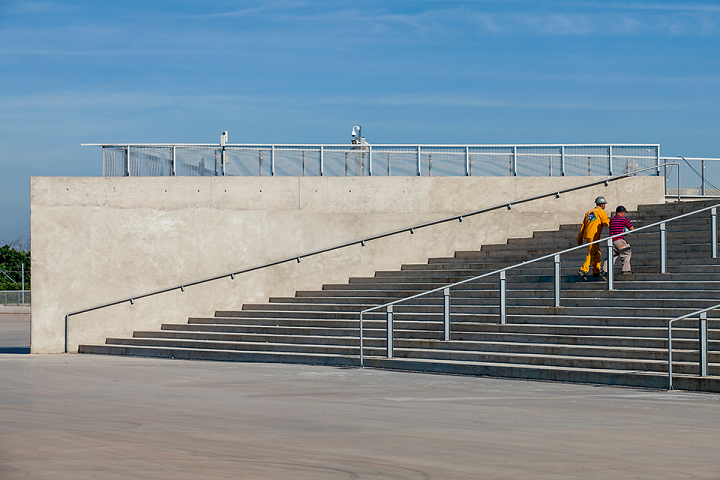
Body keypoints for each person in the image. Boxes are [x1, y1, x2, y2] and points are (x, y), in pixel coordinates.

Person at [577, 196, 610, 281]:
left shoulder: (589, 212)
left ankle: (596, 271)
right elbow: (606, 223)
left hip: (587, 235)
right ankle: (583, 270)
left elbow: (583, 226)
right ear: (602, 205)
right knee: (592, 253)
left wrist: (579, 238)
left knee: (597, 252)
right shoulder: (601, 211)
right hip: (594, 236)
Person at [602, 205, 634, 275]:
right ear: (622, 212)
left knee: (611, 256)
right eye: (624, 213)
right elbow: (632, 229)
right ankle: (626, 270)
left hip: (611, 241)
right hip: (619, 240)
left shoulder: (611, 220)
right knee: (626, 253)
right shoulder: (624, 219)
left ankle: (604, 270)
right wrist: (626, 231)